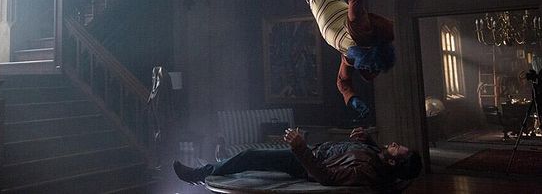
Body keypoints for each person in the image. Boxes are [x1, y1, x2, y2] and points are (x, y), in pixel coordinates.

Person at [173, 127, 422, 186]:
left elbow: (325, 176)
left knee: (249, 156)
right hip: (313, 152)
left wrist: (300, 148)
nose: (394, 144)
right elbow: (376, 157)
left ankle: (200, 174)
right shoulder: (380, 160)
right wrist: (368, 140)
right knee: (250, 158)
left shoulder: (366, 170)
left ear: (393, 162)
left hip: (305, 162)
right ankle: (211, 168)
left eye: (397, 149)